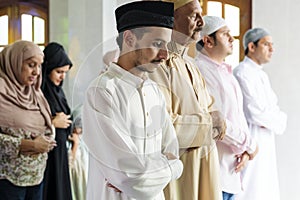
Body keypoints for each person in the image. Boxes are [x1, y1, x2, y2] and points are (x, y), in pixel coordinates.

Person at [82, 1, 183, 200]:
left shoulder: (154, 91)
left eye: (166, 45)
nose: (164, 54)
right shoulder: (101, 91)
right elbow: (131, 177)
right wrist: (170, 167)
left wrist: (168, 167)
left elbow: (173, 152)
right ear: (129, 38)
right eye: (156, 44)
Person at [148, 1, 226, 200]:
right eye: (193, 16)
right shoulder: (157, 65)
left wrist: (215, 119)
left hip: (204, 168)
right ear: (172, 21)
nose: (201, 22)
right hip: (178, 176)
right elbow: (162, 127)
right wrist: (209, 124)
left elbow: (211, 110)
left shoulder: (190, 65)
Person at [195, 16, 258, 200]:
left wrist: (246, 151)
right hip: (214, 172)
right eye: (225, 34)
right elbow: (217, 122)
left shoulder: (226, 71)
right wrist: (249, 144)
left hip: (232, 172)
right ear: (207, 40)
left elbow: (239, 117)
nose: (232, 38)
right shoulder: (200, 71)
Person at [234, 28, 287, 200]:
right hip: (250, 141)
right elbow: (254, 113)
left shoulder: (262, 75)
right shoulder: (241, 72)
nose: (272, 49)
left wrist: (274, 118)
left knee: (266, 188)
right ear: (251, 46)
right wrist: (274, 117)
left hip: (266, 142)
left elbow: (276, 113)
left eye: (272, 45)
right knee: (250, 190)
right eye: (266, 44)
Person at [0, 40, 56, 200]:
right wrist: (29, 145)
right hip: (7, 180)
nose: (37, 72)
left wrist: (47, 140)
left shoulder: (35, 93)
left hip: (36, 176)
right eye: (31, 65)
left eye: (39, 66)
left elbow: (47, 126)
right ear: (14, 63)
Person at [41, 42, 73, 200]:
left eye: (65, 72)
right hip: (47, 156)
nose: (62, 77)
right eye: (59, 72)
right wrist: (53, 123)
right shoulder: (40, 92)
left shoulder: (58, 92)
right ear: (47, 69)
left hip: (60, 152)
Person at [68, 104, 89, 200]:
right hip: (76, 184)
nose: (79, 127)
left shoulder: (87, 141)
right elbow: (68, 164)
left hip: (86, 183)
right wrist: (75, 144)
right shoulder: (69, 141)